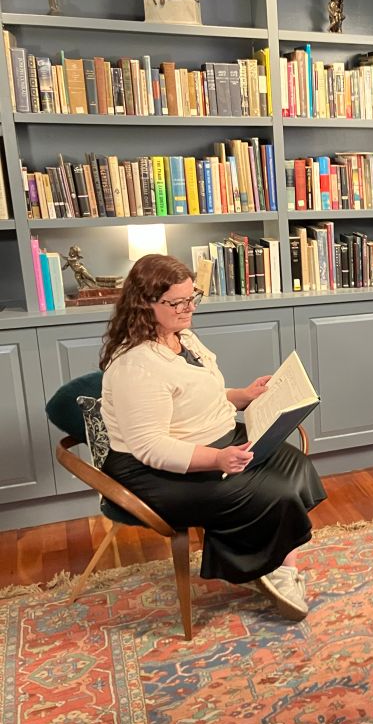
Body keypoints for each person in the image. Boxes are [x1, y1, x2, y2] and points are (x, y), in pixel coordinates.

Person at [98, 254, 327, 621]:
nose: (189, 308)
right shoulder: (136, 367)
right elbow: (151, 447)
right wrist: (217, 459)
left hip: (213, 438)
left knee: (294, 465)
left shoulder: (180, 336)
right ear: (145, 303)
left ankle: (275, 566)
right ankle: (274, 571)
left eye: (193, 298)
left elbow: (195, 399)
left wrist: (242, 396)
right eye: (178, 302)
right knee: (274, 492)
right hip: (157, 470)